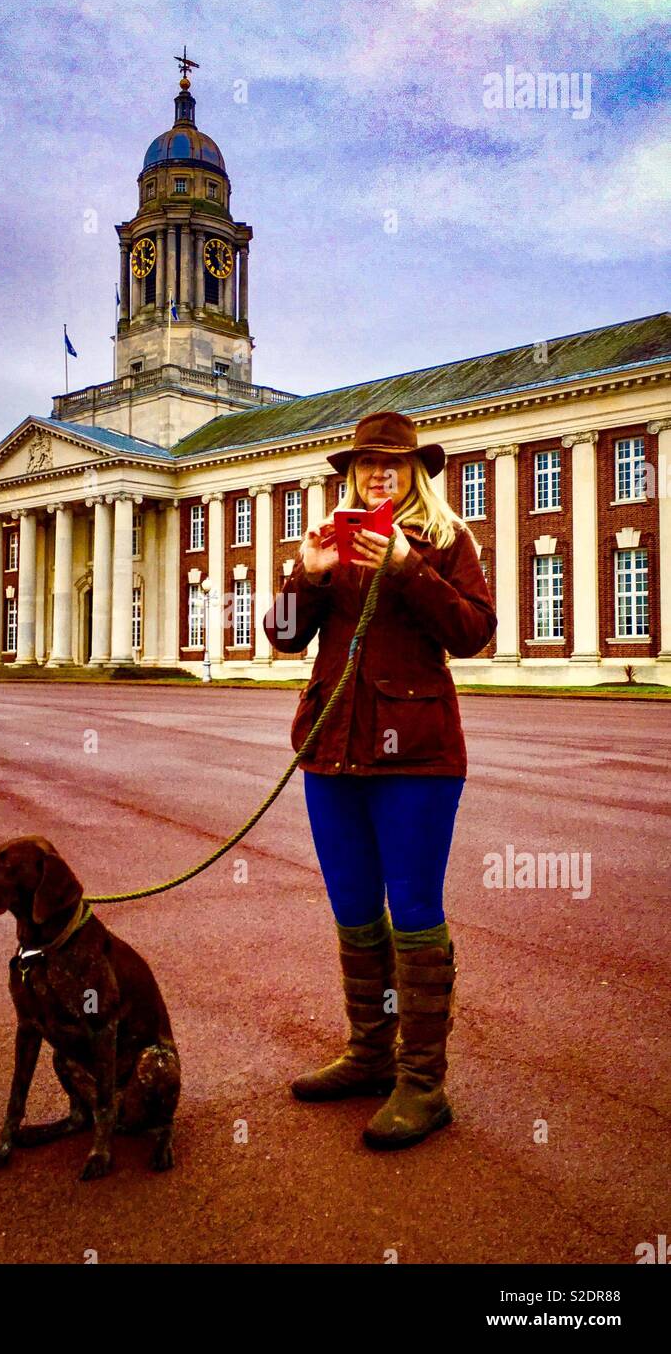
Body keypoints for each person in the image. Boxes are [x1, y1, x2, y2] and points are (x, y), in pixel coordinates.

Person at [262, 410, 498, 1150]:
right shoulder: (325, 544)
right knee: (354, 910)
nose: (378, 473)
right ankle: (369, 1054)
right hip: (332, 752)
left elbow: (471, 631)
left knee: (415, 911)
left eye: (393, 464)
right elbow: (280, 635)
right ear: (350, 475)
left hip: (418, 759)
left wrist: (404, 565)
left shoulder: (445, 542)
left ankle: (422, 1084)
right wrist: (306, 574)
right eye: (366, 464)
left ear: (415, 473)